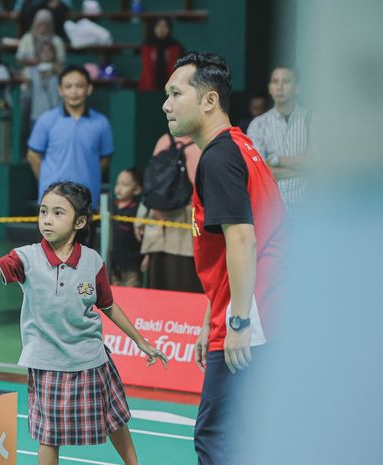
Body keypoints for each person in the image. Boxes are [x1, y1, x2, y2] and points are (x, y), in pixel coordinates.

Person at [0, 181, 168, 465]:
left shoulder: (92, 261)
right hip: (47, 363)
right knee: (49, 436)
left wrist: (140, 340)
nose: (47, 220)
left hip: (91, 360)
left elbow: (108, 305)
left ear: (80, 221)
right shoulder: (24, 258)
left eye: (58, 213)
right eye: (43, 212)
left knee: (115, 419)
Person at [162, 51, 286, 464]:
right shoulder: (241, 146)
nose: (166, 104)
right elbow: (227, 250)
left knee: (216, 438)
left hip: (251, 318)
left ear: (209, 100)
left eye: (176, 93)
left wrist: (237, 323)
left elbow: (244, 242)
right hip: (257, 310)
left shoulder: (217, 158)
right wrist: (209, 320)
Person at [27, 65, 113, 213]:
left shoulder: (101, 122)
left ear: (89, 89)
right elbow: (32, 155)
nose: (74, 91)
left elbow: (106, 158)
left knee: (86, 237)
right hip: (52, 203)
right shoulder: (46, 120)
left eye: (79, 86)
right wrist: (48, 181)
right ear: (60, 90)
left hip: (86, 201)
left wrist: (88, 173)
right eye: (68, 86)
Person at [135, 133, 203, 293]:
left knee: (158, 288)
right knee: (187, 288)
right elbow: (204, 189)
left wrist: (140, 217)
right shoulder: (204, 143)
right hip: (187, 230)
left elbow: (151, 185)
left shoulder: (164, 140)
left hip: (157, 229)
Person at [247, 66, 312, 216]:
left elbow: (320, 163)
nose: (280, 86)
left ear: (297, 88)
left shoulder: (313, 119)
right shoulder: (258, 124)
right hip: (272, 213)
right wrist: (304, 166)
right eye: (275, 81)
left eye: (286, 81)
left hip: (309, 212)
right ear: (270, 88)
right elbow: (258, 173)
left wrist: (276, 160)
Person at [110, 168, 142, 287]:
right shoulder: (110, 207)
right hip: (112, 262)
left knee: (132, 294)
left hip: (132, 264)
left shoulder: (137, 210)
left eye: (125, 184)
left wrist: (145, 257)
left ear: (137, 190)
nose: (119, 188)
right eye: (118, 183)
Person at [138, 17, 184, 92]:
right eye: (158, 26)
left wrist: (169, 88)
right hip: (147, 87)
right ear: (153, 28)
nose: (161, 29)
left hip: (169, 88)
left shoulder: (174, 46)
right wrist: (152, 90)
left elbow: (173, 68)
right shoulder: (147, 46)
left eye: (165, 26)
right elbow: (147, 68)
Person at [23, 39, 62, 126]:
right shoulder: (31, 71)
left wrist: (53, 71)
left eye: (49, 50)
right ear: (38, 54)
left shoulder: (60, 70)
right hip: (37, 115)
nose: (46, 53)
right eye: (43, 51)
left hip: (56, 115)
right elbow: (27, 91)